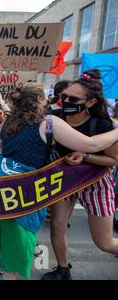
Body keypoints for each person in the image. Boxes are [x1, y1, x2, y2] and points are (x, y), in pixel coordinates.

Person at [0, 82, 118, 280]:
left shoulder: (9, 120)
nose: (63, 101)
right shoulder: (50, 122)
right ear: (39, 100)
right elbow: (90, 144)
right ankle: (10, 275)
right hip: (27, 184)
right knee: (20, 230)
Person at [41, 70, 118, 280]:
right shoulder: (56, 117)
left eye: (72, 99)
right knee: (57, 227)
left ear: (91, 103)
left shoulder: (101, 125)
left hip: (96, 182)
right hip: (65, 180)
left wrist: (86, 156)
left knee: (104, 242)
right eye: (63, 97)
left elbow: (113, 160)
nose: (65, 101)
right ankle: (63, 270)